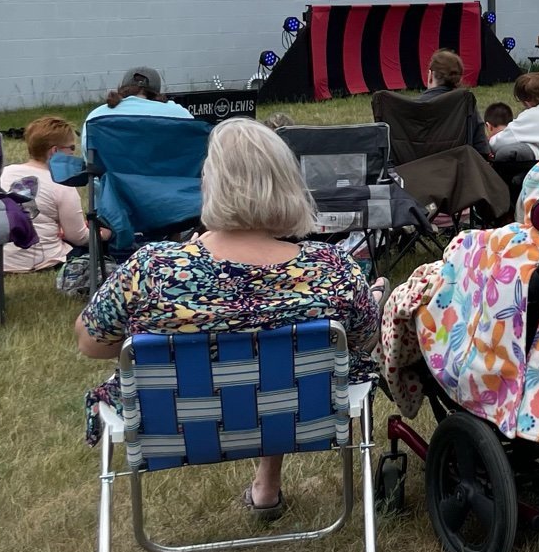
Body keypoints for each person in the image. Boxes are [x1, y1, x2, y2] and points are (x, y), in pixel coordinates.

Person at [76, 118, 380, 520]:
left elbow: (91, 342)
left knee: (258, 364)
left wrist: (165, 333)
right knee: (280, 370)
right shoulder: (331, 271)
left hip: (179, 421)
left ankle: (264, 484)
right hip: (296, 413)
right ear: (289, 184)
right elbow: (363, 341)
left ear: (210, 183)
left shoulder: (153, 270)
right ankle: (267, 482)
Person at [0, 115, 90, 273]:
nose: (73, 154)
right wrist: (105, 235)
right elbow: (78, 237)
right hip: (39, 261)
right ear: (55, 151)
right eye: (71, 148)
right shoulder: (63, 183)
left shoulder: (2, 173)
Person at [420, 49, 492, 159]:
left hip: (414, 173)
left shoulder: (409, 107)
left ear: (430, 75)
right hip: (458, 172)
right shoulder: (466, 106)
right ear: (459, 79)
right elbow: (482, 150)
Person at [84, 67, 193, 135]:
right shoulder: (180, 115)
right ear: (157, 91)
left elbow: (89, 157)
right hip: (169, 172)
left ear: (122, 88)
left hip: (115, 172)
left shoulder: (96, 117)